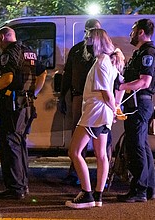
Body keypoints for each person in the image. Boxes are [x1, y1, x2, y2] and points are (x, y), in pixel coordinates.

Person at [0, 27, 47, 200]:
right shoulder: (29, 51)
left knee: (10, 145)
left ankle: (15, 188)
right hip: (26, 105)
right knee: (20, 145)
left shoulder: (9, 53)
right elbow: (42, 73)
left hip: (13, 106)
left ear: (3, 37)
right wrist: (33, 92)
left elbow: (7, 79)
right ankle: (22, 185)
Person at [65, 28, 125, 209]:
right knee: (101, 155)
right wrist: (114, 109)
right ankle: (98, 195)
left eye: (88, 38)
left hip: (94, 113)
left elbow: (106, 92)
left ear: (96, 41)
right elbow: (118, 88)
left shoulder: (100, 63)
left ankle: (87, 194)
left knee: (74, 152)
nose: (86, 41)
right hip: (102, 114)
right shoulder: (110, 62)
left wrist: (112, 108)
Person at [59, 19, 102, 186]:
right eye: (89, 31)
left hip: (98, 100)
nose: (91, 34)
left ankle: (102, 177)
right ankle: (75, 172)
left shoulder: (105, 50)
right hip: (79, 97)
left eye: (95, 30)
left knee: (102, 139)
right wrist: (62, 96)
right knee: (77, 137)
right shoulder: (77, 50)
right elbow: (67, 74)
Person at [117, 18, 155, 203]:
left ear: (140, 32)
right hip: (137, 104)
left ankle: (139, 190)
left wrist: (121, 86)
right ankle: (148, 188)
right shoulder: (140, 52)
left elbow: (144, 82)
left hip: (139, 104)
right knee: (143, 146)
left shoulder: (147, 53)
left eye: (133, 31)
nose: (130, 34)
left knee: (136, 146)